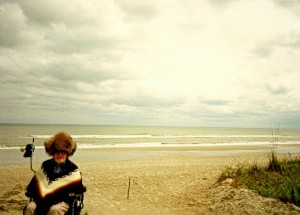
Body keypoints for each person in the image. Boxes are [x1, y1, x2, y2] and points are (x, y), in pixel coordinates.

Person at [24, 132, 84, 215]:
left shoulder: (73, 169)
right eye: (57, 152)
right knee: (30, 207)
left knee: (54, 210)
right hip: (41, 199)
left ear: (67, 154)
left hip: (63, 201)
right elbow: (36, 184)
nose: (60, 154)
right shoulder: (45, 164)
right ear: (52, 153)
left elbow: (77, 190)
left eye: (63, 152)